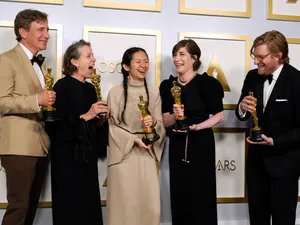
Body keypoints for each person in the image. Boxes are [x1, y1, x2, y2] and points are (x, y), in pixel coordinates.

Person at [235, 30, 300, 225]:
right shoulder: (252, 76)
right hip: (256, 164)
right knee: (257, 218)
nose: (256, 61)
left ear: (278, 55)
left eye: (261, 57)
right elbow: (241, 113)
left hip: (285, 164)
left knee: (283, 219)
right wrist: (241, 107)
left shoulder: (296, 80)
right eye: (254, 56)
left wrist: (276, 142)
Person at [159, 39, 224, 225]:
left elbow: (219, 116)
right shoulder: (167, 86)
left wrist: (196, 127)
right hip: (178, 147)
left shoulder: (208, 83)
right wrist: (175, 116)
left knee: (202, 195)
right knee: (179, 195)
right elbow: (165, 120)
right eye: (175, 55)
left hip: (201, 144)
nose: (176, 59)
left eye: (182, 54)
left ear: (194, 58)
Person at [0, 9, 55, 225]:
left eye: (47, 29)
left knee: (30, 208)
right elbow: (2, 100)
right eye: (40, 29)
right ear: (23, 32)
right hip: (17, 146)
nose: (47, 34)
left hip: (40, 145)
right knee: (19, 207)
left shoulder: (39, 64)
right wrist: (36, 100)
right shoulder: (6, 60)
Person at [50, 39, 108, 225]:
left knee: (88, 206)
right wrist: (87, 115)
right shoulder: (61, 86)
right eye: (88, 55)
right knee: (70, 208)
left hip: (87, 159)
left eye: (92, 55)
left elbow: (91, 126)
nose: (94, 59)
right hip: (67, 160)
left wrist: (102, 119)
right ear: (74, 62)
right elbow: (56, 126)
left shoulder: (90, 88)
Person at [106, 47, 165, 225]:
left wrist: (152, 125)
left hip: (147, 153)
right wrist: (133, 139)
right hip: (123, 155)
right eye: (138, 61)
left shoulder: (154, 92)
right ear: (126, 66)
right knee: (124, 206)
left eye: (146, 61)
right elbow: (112, 126)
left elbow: (160, 124)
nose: (143, 65)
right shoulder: (115, 93)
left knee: (149, 205)